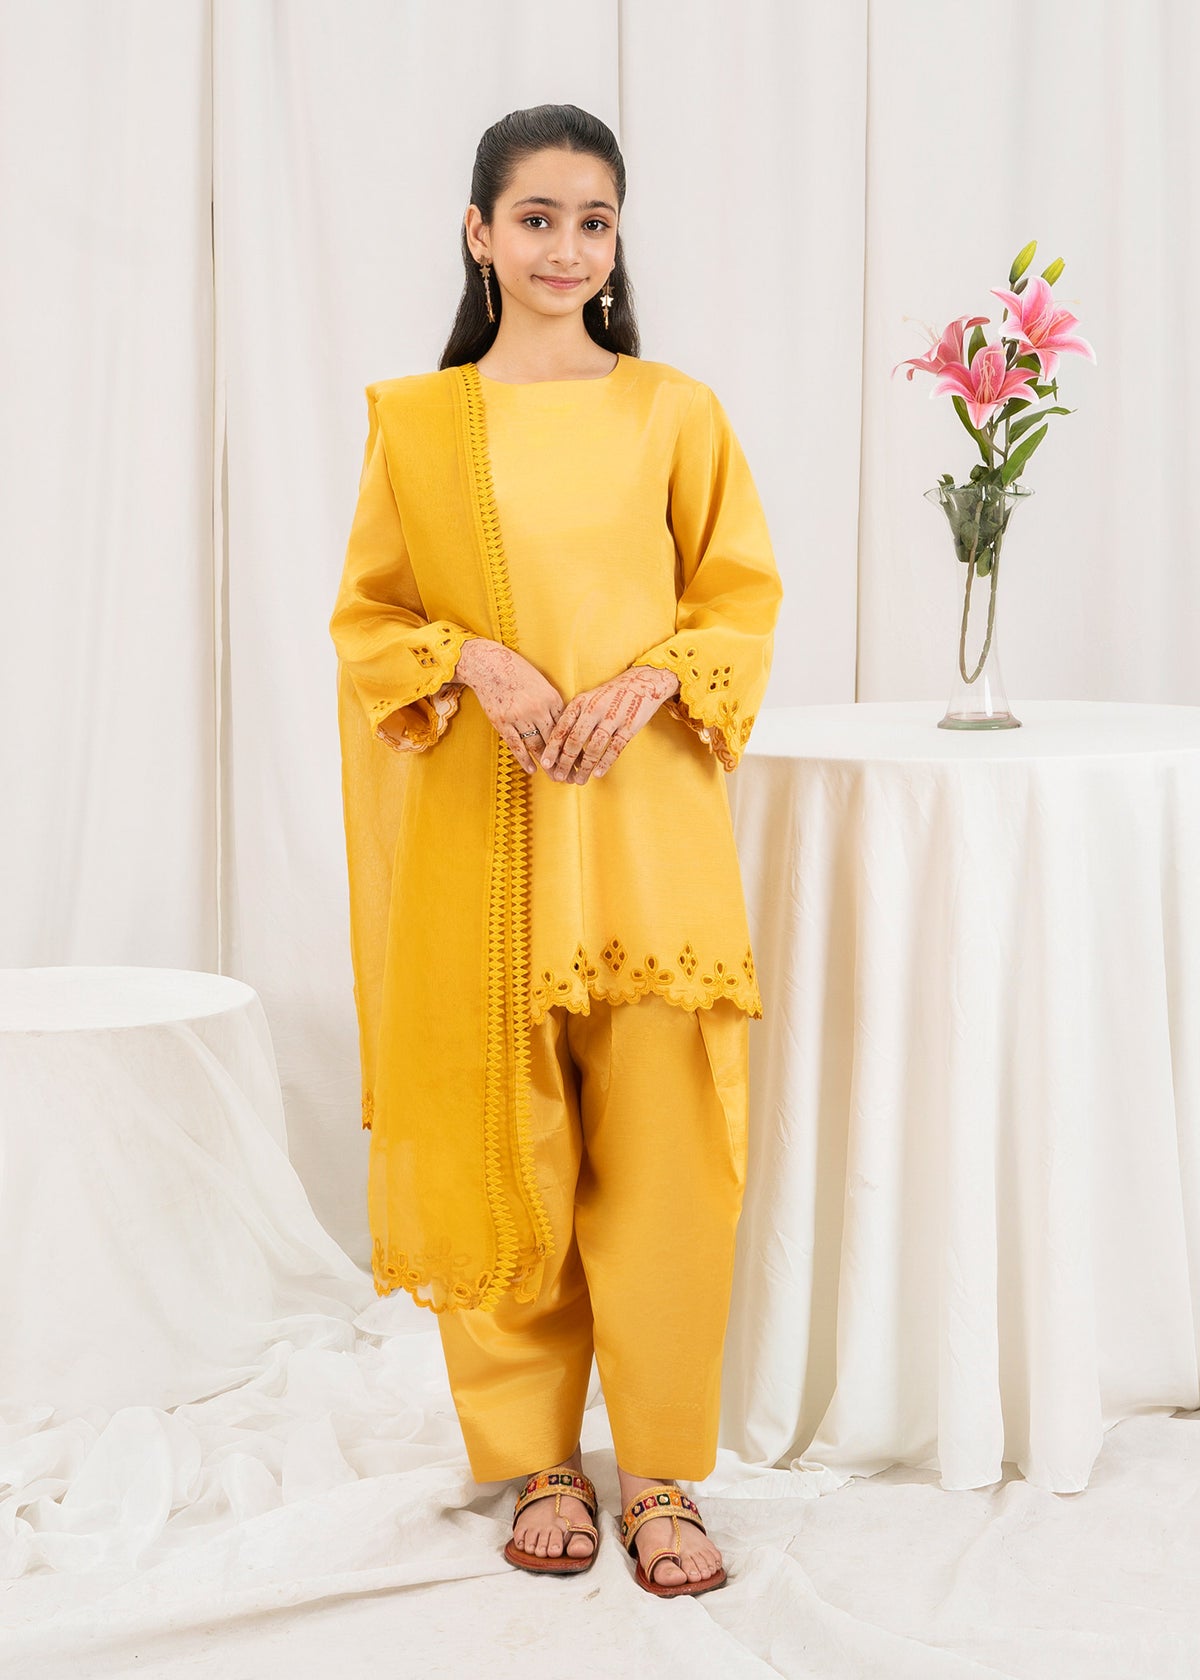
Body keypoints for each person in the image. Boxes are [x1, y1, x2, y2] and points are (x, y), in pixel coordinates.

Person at [328, 102, 782, 1599]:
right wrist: (477, 660)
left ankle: (659, 1477)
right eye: (536, 219)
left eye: (594, 222)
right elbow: (370, 620)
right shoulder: (420, 421)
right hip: (487, 824)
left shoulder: (673, 411)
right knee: (500, 1140)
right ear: (479, 233)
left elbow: (738, 601)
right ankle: (536, 1459)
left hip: (649, 833)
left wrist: (650, 681)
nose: (566, 248)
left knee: (667, 1160)